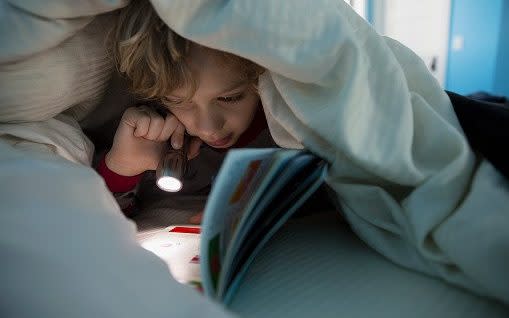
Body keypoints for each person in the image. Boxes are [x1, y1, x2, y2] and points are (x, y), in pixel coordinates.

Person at [97, 0, 275, 219]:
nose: (208, 127)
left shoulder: (283, 124)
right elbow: (98, 225)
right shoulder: (153, 136)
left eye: (230, 98)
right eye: (178, 101)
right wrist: (120, 168)